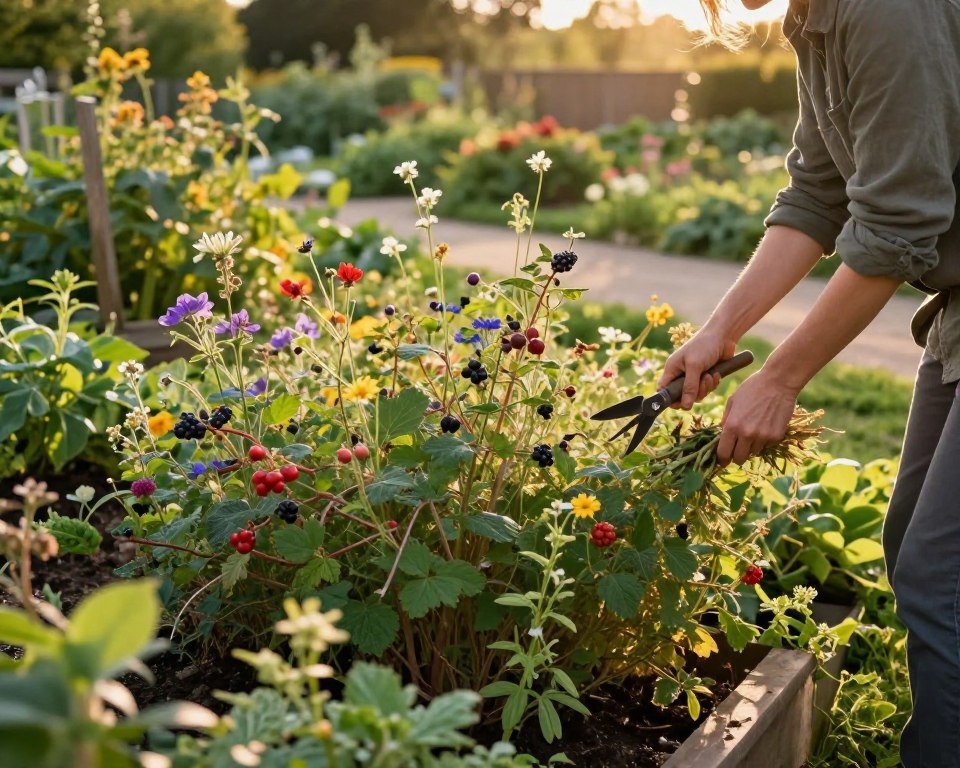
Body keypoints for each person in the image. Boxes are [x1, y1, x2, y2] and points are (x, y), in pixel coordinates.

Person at [670, 1, 960, 765]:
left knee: (942, 582)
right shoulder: (816, 15)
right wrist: (720, 330)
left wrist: (781, 377)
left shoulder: (887, 10)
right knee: (915, 552)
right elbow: (818, 192)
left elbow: (898, 223)